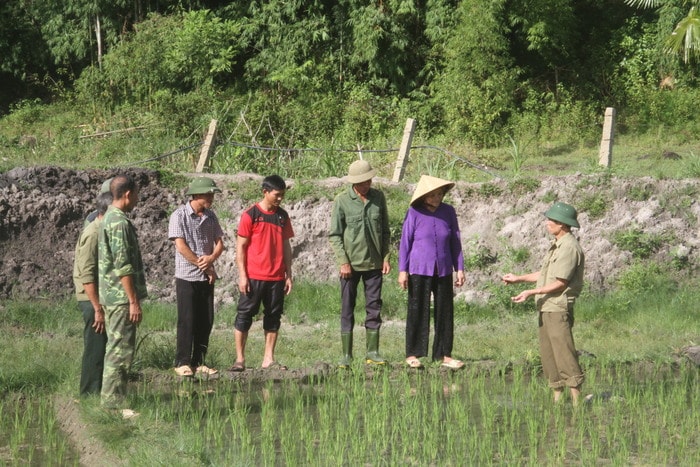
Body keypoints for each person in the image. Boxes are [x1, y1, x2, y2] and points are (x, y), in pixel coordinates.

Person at [502, 202, 585, 406]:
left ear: (563, 224)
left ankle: (577, 403)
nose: (547, 223)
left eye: (551, 220)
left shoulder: (569, 248)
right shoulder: (557, 245)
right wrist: (519, 279)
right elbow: (546, 275)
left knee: (564, 353)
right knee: (548, 354)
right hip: (546, 307)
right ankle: (557, 398)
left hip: (557, 308)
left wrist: (531, 292)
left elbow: (560, 282)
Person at [398, 175, 466, 370]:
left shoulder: (448, 212)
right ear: (424, 197)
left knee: (445, 311)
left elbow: (455, 241)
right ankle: (413, 354)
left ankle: (444, 355)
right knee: (417, 310)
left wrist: (459, 268)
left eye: (439, 194)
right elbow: (405, 244)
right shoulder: (414, 213)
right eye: (433, 195)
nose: (437, 198)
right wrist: (403, 270)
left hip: (443, 269)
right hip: (419, 269)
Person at [329, 160, 391, 368]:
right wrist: (343, 262)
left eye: (369, 180)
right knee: (347, 308)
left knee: (374, 308)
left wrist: (386, 257)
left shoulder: (378, 198)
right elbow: (335, 235)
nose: (367, 184)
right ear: (355, 182)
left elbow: (385, 231)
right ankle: (346, 355)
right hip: (350, 267)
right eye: (363, 181)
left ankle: (372, 351)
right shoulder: (342, 200)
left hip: (374, 264)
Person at [230, 175, 294, 372]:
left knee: (273, 317)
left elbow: (286, 246)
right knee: (244, 315)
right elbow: (240, 247)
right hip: (254, 276)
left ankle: (268, 359)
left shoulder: (282, 216)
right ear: (265, 192)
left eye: (282, 195)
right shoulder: (250, 215)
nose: (280, 199)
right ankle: (240, 359)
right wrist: (243, 275)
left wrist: (288, 274)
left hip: (276, 277)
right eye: (277, 195)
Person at [99, 174, 147, 417]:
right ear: (127, 194)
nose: (138, 199)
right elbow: (123, 265)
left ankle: (113, 401)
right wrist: (133, 301)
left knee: (117, 349)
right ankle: (112, 406)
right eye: (136, 194)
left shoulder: (110, 217)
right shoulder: (118, 222)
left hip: (114, 296)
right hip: (120, 298)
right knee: (119, 352)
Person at [168, 176, 225, 377]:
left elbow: (220, 243)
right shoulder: (179, 215)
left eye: (212, 194)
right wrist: (202, 264)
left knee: (206, 319)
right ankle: (182, 362)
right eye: (208, 194)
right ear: (197, 194)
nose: (211, 198)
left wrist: (211, 259)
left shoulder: (211, 216)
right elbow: (181, 245)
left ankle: (199, 361)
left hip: (206, 276)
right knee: (187, 319)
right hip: (187, 275)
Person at [72, 191, 112, 396]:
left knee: (102, 345)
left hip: (98, 296)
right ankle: (89, 394)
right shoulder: (93, 233)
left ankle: (99, 392)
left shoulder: (103, 230)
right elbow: (86, 274)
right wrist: (97, 308)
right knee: (95, 347)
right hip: (91, 298)